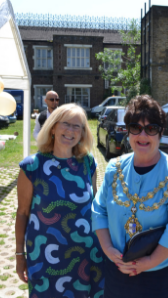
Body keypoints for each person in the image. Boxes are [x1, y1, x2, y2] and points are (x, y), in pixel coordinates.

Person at [92, 95, 168, 298]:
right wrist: (108, 248)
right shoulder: (114, 168)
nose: (143, 135)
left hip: (157, 276)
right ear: (128, 132)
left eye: (151, 128)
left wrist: (149, 262)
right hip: (116, 269)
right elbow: (98, 210)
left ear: (161, 132)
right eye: (136, 127)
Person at [15, 103, 104, 297]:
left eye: (77, 126)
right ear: (53, 127)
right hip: (45, 260)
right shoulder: (32, 167)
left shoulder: (88, 163)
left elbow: (96, 209)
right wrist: (19, 255)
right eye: (66, 124)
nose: (71, 130)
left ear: (82, 132)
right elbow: (22, 213)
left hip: (88, 256)